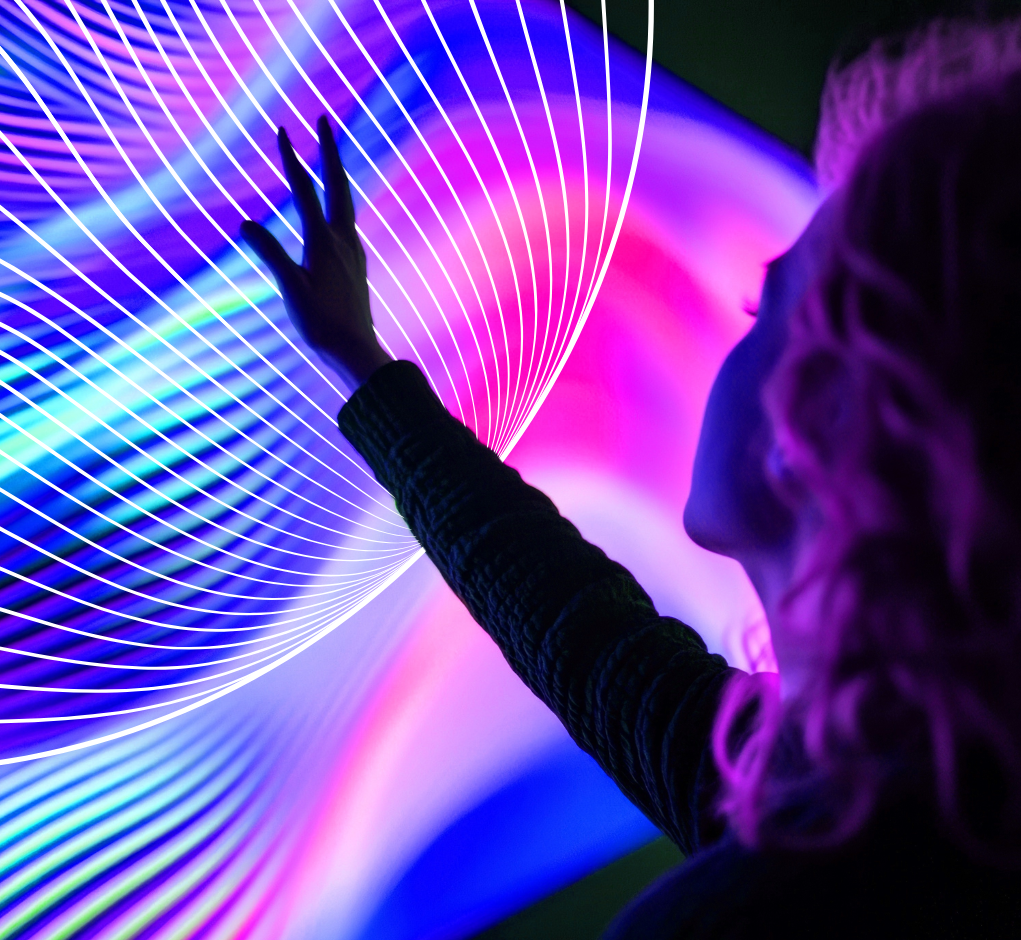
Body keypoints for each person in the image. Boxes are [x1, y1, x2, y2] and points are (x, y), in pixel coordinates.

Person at [241, 13, 1021, 938]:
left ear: (818, 419)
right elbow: (600, 651)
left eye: (757, 307)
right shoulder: (931, 802)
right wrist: (366, 369)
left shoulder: (762, 910)